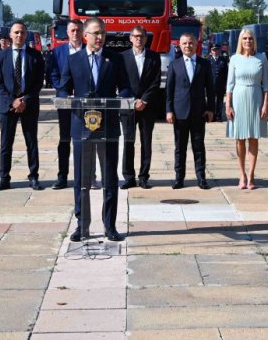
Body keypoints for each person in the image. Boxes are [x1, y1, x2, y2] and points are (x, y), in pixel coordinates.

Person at [58, 17, 131, 242]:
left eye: (103, 33)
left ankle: (110, 226)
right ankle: (82, 225)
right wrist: (66, 99)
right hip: (82, 127)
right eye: (96, 33)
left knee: (109, 178)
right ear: (85, 35)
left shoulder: (115, 59)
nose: (100, 37)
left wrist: (123, 99)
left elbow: (125, 88)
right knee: (82, 179)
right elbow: (63, 89)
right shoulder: (74, 60)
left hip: (108, 126)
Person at [0, 21, 45, 191]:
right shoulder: (1, 56)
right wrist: (12, 101)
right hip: (7, 105)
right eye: (16, 32)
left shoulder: (35, 56)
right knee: (6, 143)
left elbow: (38, 82)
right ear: (10, 35)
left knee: (31, 142)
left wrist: (24, 100)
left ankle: (34, 176)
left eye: (22, 32)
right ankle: (4, 178)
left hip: (29, 104)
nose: (19, 35)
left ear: (26, 34)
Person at [165, 32, 215, 190]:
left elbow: (210, 88)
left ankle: (201, 178)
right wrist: (169, 110)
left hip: (198, 112)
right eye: (185, 43)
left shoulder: (204, 64)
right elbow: (169, 90)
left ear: (196, 44)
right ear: (180, 45)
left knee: (198, 147)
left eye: (191, 43)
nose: (188, 46)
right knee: (180, 148)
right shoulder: (174, 64)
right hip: (179, 113)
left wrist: (210, 109)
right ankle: (179, 178)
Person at [225, 29, 268, 189]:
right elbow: (230, 84)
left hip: (256, 98)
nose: (248, 41)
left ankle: (251, 175)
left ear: (254, 41)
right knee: (240, 138)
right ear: (240, 41)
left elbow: (266, 85)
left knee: (253, 138)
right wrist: (228, 104)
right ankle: (242, 174)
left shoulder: (261, 58)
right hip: (238, 98)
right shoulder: (234, 59)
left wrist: (266, 104)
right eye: (244, 38)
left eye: (250, 38)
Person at [120, 26, 161, 189]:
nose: (139, 39)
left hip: (147, 107)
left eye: (141, 36)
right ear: (130, 38)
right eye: (136, 36)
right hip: (128, 107)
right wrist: (133, 101)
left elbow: (156, 82)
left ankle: (144, 177)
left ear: (146, 38)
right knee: (128, 142)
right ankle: (129, 177)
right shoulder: (122, 57)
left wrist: (144, 100)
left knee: (146, 142)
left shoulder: (154, 57)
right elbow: (121, 82)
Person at [49, 19, 85, 190]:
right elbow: (53, 74)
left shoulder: (89, 49)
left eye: (78, 30)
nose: (75, 33)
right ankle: (62, 176)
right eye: (72, 30)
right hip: (65, 101)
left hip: (84, 102)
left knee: (85, 140)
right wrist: (63, 91)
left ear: (83, 32)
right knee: (65, 139)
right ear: (67, 32)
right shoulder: (58, 52)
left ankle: (86, 175)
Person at [208, 44, 229, 121]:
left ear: (219, 50)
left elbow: (226, 73)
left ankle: (218, 116)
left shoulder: (223, 60)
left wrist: (226, 84)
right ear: (211, 51)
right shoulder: (208, 60)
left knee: (220, 101)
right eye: (213, 50)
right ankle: (212, 116)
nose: (215, 51)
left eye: (217, 50)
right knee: (211, 101)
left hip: (220, 84)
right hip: (210, 84)